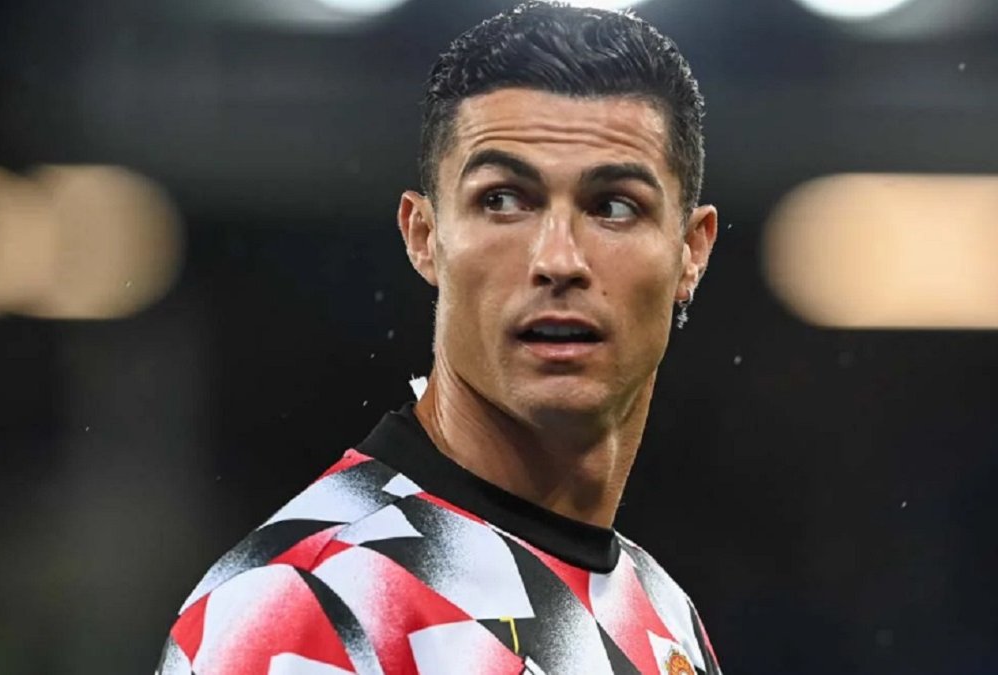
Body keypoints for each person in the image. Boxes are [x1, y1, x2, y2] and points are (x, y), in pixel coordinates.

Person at [157, 2, 720, 673]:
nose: (559, 259)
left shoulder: (665, 616)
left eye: (614, 206)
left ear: (691, 250)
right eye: (502, 200)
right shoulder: (307, 602)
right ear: (423, 237)